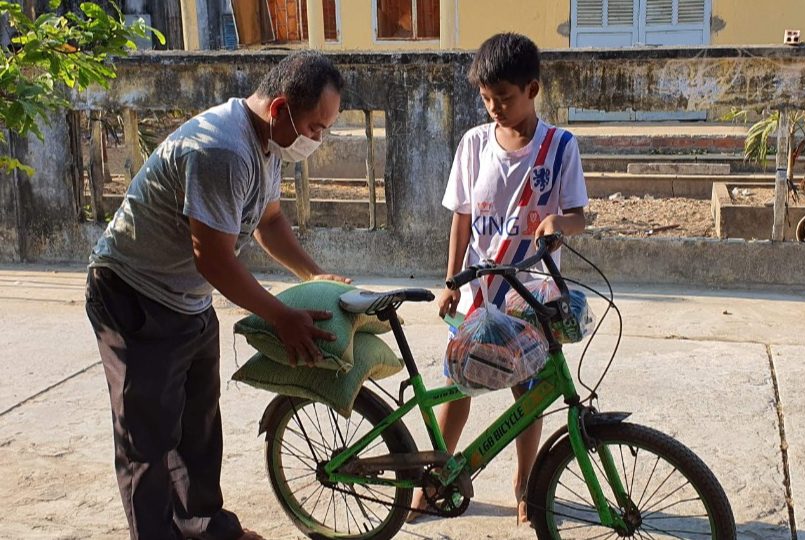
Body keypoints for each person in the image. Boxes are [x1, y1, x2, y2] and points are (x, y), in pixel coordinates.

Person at [85, 51, 350, 540]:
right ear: (280, 110)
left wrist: (317, 274)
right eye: (315, 128)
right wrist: (280, 316)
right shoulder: (223, 150)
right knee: (150, 439)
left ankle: (206, 529)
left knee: (198, 430)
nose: (318, 140)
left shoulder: (265, 145)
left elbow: (268, 220)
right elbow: (214, 258)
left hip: (188, 299)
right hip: (134, 294)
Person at [410, 32, 589, 523]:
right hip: (478, 292)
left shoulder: (559, 148)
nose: (495, 109)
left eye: (504, 99)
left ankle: (526, 483)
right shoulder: (473, 144)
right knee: (458, 386)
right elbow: (462, 218)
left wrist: (558, 224)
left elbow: (578, 214)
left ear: (533, 89)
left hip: (529, 294)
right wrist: (450, 281)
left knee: (528, 394)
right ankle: (433, 480)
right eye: (487, 99)